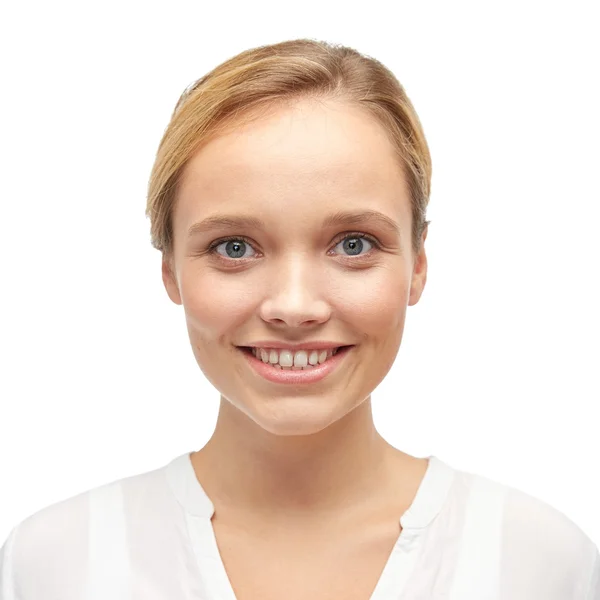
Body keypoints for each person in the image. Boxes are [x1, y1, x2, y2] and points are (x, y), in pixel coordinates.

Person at [1, 38, 598, 600]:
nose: (294, 306)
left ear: (417, 266)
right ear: (171, 272)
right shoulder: (56, 564)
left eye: (354, 244)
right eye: (235, 247)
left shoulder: (536, 563)